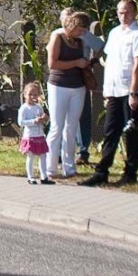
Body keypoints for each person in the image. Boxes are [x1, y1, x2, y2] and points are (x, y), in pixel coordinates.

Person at [80, 0, 138, 187]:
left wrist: (134, 93)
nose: (123, 15)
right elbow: (111, 63)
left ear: (134, 13)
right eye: (120, 12)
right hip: (114, 90)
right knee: (110, 131)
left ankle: (130, 172)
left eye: (127, 11)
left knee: (132, 133)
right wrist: (107, 91)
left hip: (130, 90)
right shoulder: (114, 33)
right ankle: (102, 171)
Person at [46, 11, 91, 179]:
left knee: (71, 127)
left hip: (78, 86)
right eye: (81, 29)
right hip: (59, 85)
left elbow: (96, 48)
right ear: (74, 25)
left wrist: (85, 64)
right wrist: (76, 63)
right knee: (57, 127)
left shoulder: (78, 42)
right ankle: (50, 168)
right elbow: (52, 63)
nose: (82, 33)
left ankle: (69, 167)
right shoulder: (58, 37)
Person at [17, 81, 53, 185]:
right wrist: (34, 121)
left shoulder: (38, 107)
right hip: (30, 137)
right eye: (30, 94)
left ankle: (44, 176)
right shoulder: (24, 108)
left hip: (40, 135)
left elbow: (42, 118)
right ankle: (30, 177)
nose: (33, 96)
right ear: (25, 95)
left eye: (35, 94)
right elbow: (21, 122)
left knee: (43, 156)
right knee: (31, 156)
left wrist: (44, 119)